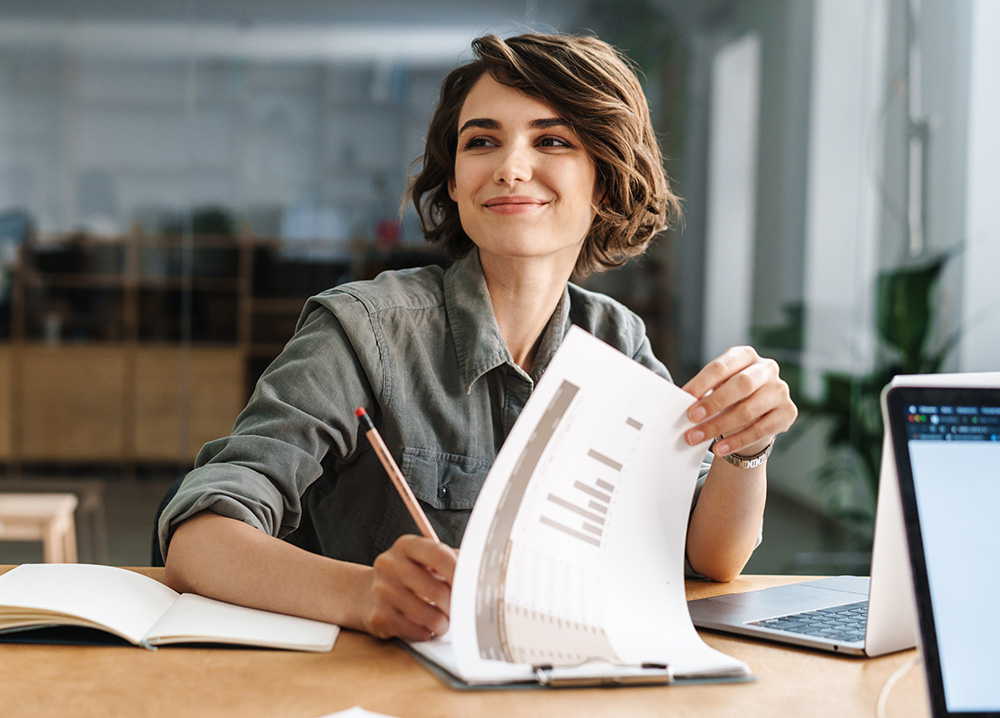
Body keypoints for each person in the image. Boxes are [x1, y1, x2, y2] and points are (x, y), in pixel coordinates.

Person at [161, 32, 797, 643]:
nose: (511, 169)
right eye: (481, 142)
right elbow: (199, 537)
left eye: (551, 140)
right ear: (457, 180)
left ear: (605, 177)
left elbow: (707, 557)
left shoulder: (616, 339)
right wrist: (362, 595)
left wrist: (746, 448)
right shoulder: (362, 329)